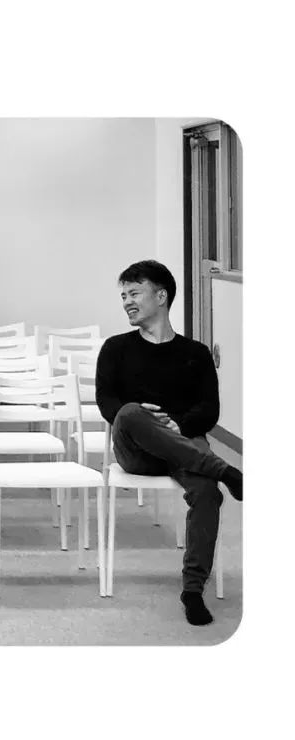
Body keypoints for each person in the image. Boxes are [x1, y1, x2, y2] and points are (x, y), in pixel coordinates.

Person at [95, 259, 242, 627]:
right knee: (131, 412)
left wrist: (178, 425)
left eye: (134, 293)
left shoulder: (196, 353)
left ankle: (192, 591)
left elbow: (209, 410)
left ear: (161, 296)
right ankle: (225, 470)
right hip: (137, 450)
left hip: (183, 445)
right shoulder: (115, 348)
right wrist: (146, 421)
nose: (127, 302)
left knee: (207, 494)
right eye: (123, 296)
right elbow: (107, 403)